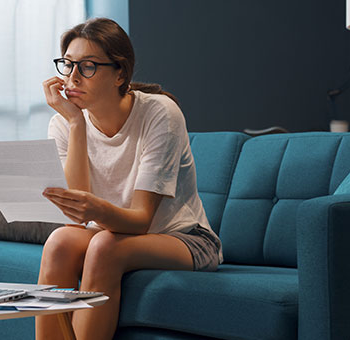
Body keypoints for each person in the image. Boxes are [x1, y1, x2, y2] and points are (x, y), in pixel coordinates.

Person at [38, 17, 223, 340]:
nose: (73, 77)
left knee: (105, 247)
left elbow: (141, 220)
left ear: (120, 73)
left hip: (184, 238)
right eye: (68, 65)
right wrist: (77, 124)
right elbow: (75, 220)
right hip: (110, 232)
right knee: (59, 242)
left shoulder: (160, 113)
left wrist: (94, 210)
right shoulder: (64, 123)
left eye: (88, 67)